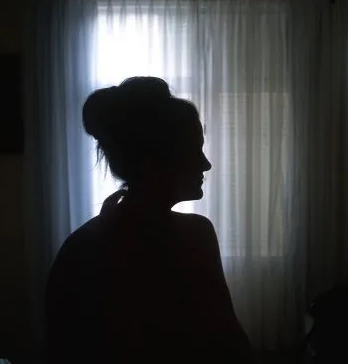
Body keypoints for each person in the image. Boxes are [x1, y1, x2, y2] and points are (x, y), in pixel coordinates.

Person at [45, 77, 252, 363]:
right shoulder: (90, 250)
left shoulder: (84, 246)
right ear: (154, 163)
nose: (206, 164)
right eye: (194, 150)